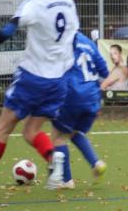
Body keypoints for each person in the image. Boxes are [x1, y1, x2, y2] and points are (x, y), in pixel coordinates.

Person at [0, 0, 79, 171]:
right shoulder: (68, 1)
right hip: (58, 81)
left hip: (32, 77)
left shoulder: (33, 3)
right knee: (31, 131)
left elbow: (7, 32)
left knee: (2, 129)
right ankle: (53, 158)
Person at [46, 32, 109, 190]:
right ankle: (96, 163)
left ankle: (66, 180)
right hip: (92, 97)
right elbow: (104, 71)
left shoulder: (61, 41)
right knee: (75, 133)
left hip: (73, 95)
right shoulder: (87, 42)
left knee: (57, 136)